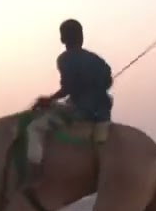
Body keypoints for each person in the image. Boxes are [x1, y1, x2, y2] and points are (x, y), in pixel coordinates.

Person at [26, 19, 114, 177]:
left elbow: (67, 88)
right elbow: (108, 82)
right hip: (102, 111)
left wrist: (48, 99)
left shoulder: (65, 59)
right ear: (82, 37)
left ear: (62, 39)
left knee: (34, 127)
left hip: (80, 111)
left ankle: (34, 172)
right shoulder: (96, 59)